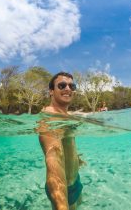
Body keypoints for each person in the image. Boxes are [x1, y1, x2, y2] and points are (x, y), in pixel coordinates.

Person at [37, 72, 84, 210]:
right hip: (63, 188)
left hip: (75, 179)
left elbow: (65, 145)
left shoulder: (65, 115)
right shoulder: (50, 117)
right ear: (51, 91)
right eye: (62, 85)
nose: (68, 89)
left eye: (72, 86)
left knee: (81, 203)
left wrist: (75, 159)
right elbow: (53, 158)